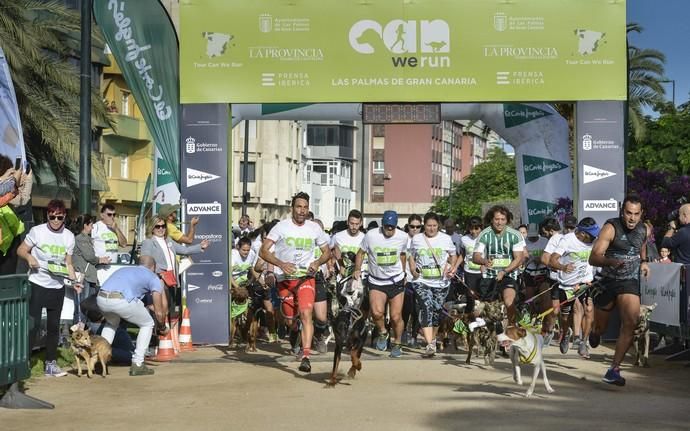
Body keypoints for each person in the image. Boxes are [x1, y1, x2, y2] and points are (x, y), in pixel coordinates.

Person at [259, 192, 330, 373]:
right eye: (299, 207)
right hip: (285, 281)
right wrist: (281, 264)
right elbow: (263, 252)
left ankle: (306, 356)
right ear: (292, 208)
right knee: (290, 320)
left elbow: (326, 252)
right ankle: (294, 329)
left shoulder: (314, 228)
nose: (302, 211)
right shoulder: (281, 227)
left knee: (307, 314)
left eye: (305, 207)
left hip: (306, 278)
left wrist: (317, 262)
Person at [588, 195, 650, 386]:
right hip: (608, 281)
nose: (632, 218)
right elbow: (593, 258)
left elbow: (642, 246)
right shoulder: (611, 228)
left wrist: (644, 262)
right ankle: (595, 332)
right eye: (628, 213)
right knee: (602, 328)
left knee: (631, 322)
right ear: (622, 212)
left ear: (641, 214)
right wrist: (611, 261)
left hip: (628, 282)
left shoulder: (644, 229)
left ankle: (614, 369)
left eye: (636, 214)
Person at [17, 199, 80, 377]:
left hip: (57, 286)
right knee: (33, 325)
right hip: (38, 283)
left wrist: (74, 279)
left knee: (54, 327)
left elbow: (68, 263)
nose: (55, 220)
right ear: (47, 215)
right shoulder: (37, 231)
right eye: (52, 217)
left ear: (64, 217)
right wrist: (29, 258)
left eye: (59, 217)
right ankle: (25, 361)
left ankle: (50, 364)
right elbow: (21, 250)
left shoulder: (69, 236)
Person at [96, 256, 169, 376]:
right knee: (147, 324)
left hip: (101, 298)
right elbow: (159, 310)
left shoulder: (124, 269)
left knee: (111, 324)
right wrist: (161, 327)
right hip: (121, 300)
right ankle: (138, 363)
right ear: (153, 267)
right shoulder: (153, 276)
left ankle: (100, 360)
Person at [354, 210, 408, 358]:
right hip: (376, 280)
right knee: (377, 313)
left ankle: (397, 343)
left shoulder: (403, 237)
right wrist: (357, 269)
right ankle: (383, 332)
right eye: (386, 226)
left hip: (395, 280)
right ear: (382, 225)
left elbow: (403, 255)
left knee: (396, 316)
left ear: (396, 226)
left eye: (391, 227)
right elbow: (360, 253)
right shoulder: (371, 235)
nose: (389, 230)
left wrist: (404, 273)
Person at [409, 212, 459, 357]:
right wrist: (413, 270)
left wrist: (451, 268)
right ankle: (430, 344)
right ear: (424, 225)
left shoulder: (445, 239)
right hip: (421, 280)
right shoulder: (417, 239)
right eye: (429, 225)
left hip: (441, 282)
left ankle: (432, 339)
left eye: (434, 226)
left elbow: (453, 255)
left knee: (436, 311)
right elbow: (411, 255)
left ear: (439, 226)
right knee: (426, 306)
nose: (431, 229)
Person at [548, 218, 600, 358]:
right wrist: (563, 267)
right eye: (592, 234)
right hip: (566, 284)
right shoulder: (567, 240)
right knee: (565, 317)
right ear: (582, 234)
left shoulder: (595, 241)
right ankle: (565, 333)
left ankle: (581, 341)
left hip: (585, 281)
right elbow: (551, 260)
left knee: (586, 309)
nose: (595, 237)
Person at [140, 216, 209, 316]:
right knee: (161, 310)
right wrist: (157, 275)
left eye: (163, 226)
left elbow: (184, 250)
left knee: (169, 309)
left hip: (171, 278)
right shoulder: (148, 242)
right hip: (159, 279)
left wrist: (200, 246)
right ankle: (158, 330)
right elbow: (145, 262)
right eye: (157, 226)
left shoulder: (168, 240)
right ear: (152, 228)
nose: (161, 229)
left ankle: (166, 330)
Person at [472, 205, 526, 324]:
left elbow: (519, 258)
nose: (499, 222)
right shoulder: (484, 234)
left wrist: (505, 271)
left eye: (503, 219)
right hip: (489, 276)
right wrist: (484, 261)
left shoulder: (515, 235)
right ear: (491, 219)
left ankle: (512, 328)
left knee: (508, 302)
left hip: (508, 275)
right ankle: (493, 333)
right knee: (487, 309)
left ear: (507, 220)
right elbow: (475, 257)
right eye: (497, 219)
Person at [70, 214, 110, 322]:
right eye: (91, 225)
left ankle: (84, 330)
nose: (92, 228)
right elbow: (89, 256)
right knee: (83, 306)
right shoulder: (81, 239)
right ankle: (79, 331)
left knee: (88, 307)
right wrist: (101, 260)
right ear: (85, 225)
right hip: (84, 276)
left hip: (89, 276)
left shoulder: (85, 239)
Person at [92, 204, 127, 284]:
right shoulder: (96, 227)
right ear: (102, 215)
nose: (112, 217)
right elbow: (89, 244)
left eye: (114, 215)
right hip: (100, 267)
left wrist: (116, 229)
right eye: (109, 214)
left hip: (113, 267)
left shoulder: (114, 228)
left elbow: (124, 244)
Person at [401, 214, 423, 347]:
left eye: (418, 226)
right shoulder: (403, 239)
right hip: (406, 279)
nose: (415, 229)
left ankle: (414, 336)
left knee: (417, 309)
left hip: (420, 279)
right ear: (408, 226)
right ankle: (403, 331)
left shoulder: (423, 239)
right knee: (406, 308)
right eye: (412, 226)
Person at [332, 209, 365, 277]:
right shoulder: (337, 236)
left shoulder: (365, 238)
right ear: (347, 222)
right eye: (352, 223)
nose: (354, 227)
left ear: (361, 223)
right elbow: (329, 252)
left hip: (360, 276)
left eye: (357, 224)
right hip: (342, 276)